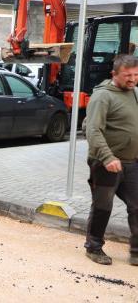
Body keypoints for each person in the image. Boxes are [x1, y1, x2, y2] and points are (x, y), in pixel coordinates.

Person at [84, 54, 138, 265]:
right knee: (102, 206)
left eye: (136, 74)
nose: (132, 79)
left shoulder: (134, 93)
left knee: (137, 206)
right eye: (128, 75)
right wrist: (107, 157)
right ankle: (94, 247)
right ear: (114, 74)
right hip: (105, 162)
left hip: (132, 162)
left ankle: (136, 252)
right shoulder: (103, 96)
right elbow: (93, 130)